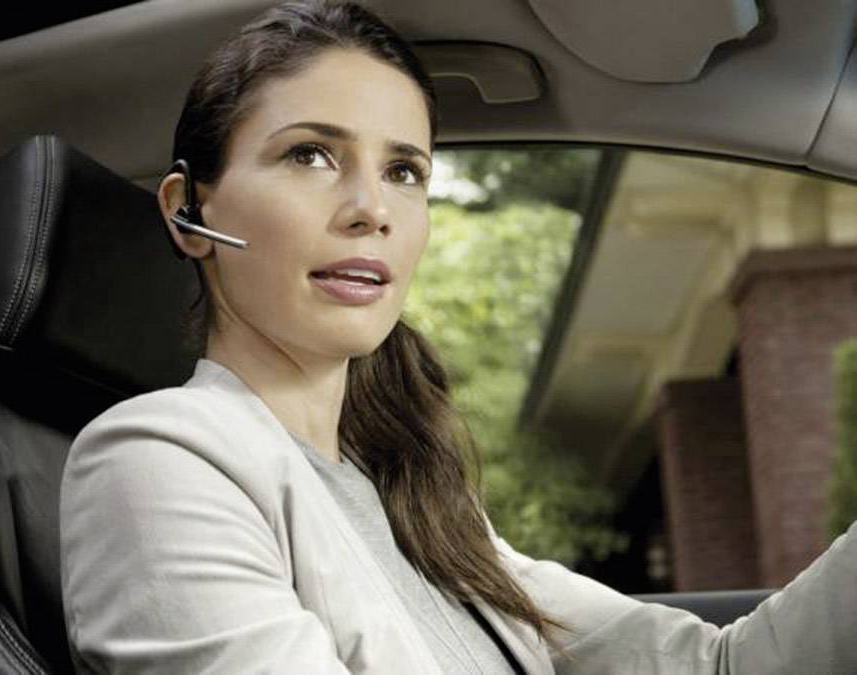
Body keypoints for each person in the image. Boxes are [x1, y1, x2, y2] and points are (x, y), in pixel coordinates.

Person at [58, 1, 857, 673]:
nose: (371, 207)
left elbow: (717, 666)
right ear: (187, 212)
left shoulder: (421, 504)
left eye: (404, 170)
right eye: (310, 154)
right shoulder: (156, 459)